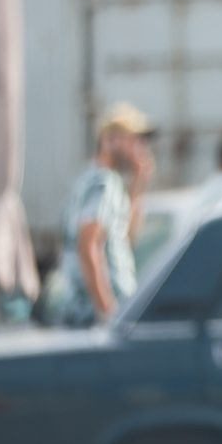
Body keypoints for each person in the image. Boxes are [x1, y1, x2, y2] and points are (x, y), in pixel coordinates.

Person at [41, 103, 154, 327]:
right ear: (109, 141)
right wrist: (108, 312)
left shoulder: (92, 179)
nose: (140, 148)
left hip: (85, 313)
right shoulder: (103, 183)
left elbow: (127, 239)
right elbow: (88, 246)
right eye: (134, 140)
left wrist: (138, 186)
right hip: (90, 316)